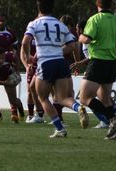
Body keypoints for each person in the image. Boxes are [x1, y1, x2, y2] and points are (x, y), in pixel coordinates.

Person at [21, 0, 89, 138]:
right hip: (61, 63)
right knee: (62, 98)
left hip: (46, 63)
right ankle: (78, 108)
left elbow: (25, 42)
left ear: (38, 8)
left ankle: (60, 129)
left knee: (43, 97)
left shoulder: (34, 23)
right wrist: (57, 51)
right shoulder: (61, 25)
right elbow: (73, 46)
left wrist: (28, 57)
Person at [78, 0, 116, 140]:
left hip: (98, 61)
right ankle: (113, 132)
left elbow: (87, 39)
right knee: (105, 100)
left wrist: (81, 36)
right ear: (111, 5)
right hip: (111, 63)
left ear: (97, 4)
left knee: (84, 98)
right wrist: (114, 47)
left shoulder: (95, 19)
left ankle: (114, 117)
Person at [72, 20, 116, 129]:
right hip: (102, 65)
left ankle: (109, 118)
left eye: (78, 28)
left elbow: (92, 56)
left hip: (96, 66)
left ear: (82, 29)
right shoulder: (89, 37)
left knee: (87, 97)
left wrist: (80, 63)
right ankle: (113, 119)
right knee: (103, 97)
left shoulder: (87, 38)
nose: (76, 30)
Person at [24, 39, 45, 124]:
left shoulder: (42, 34)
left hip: (43, 65)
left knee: (45, 92)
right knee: (31, 89)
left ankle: (41, 114)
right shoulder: (29, 35)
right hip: (32, 67)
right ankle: (32, 115)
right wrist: (27, 66)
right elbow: (22, 52)